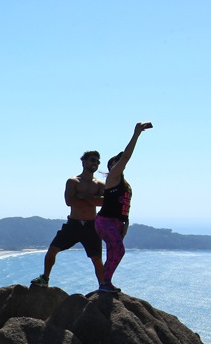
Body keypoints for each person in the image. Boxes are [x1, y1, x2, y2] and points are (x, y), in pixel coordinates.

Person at [31, 150, 105, 287]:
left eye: (98, 161)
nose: (95, 163)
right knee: (52, 250)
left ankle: (103, 285)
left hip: (91, 226)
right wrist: (92, 200)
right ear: (84, 161)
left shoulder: (100, 184)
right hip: (73, 224)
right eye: (93, 160)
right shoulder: (73, 181)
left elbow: (103, 202)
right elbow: (70, 201)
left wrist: (83, 197)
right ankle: (45, 278)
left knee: (97, 259)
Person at [94, 122, 152, 293]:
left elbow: (126, 206)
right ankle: (105, 283)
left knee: (113, 253)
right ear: (112, 166)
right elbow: (126, 157)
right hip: (105, 221)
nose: (119, 163)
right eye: (116, 161)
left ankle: (106, 283)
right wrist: (136, 135)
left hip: (117, 223)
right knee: (119, 250)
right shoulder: (112, 177)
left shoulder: (124, 184)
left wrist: (125, 224)